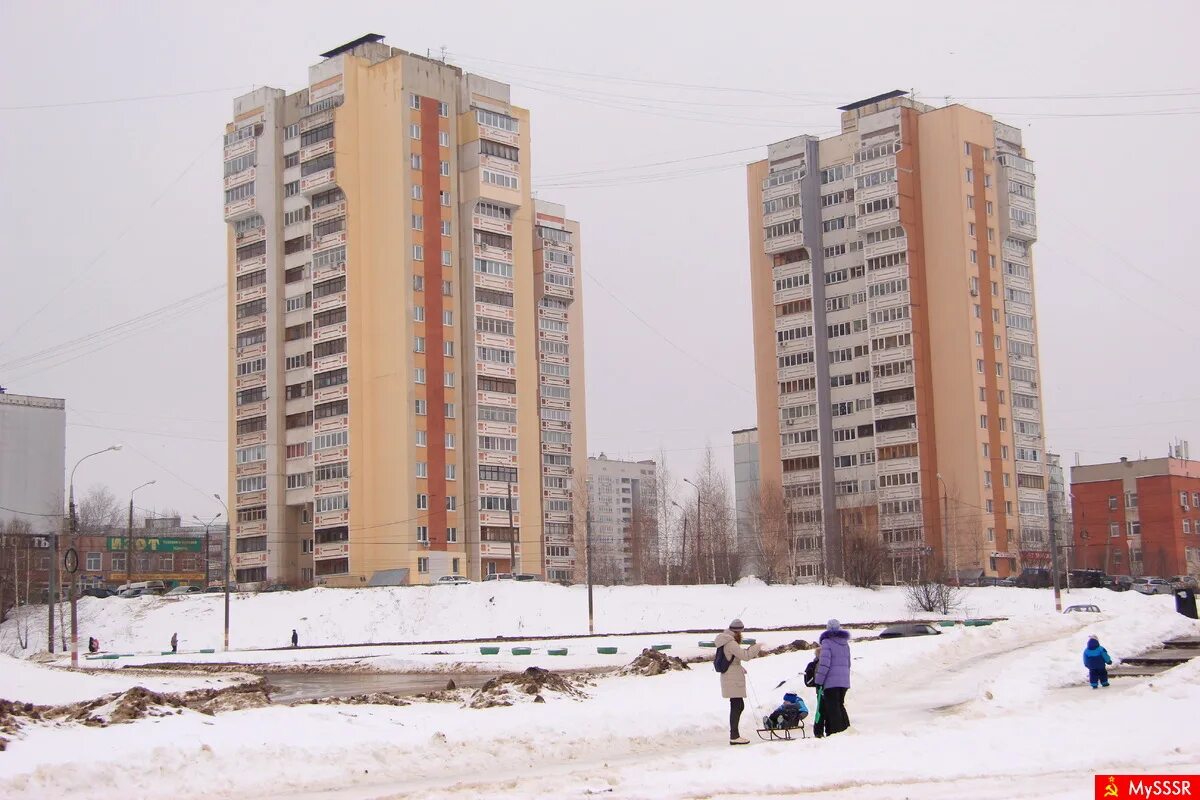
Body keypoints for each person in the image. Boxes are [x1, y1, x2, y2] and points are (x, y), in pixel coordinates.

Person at [715, 618, 762, 745]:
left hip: (730, 676)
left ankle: (734, 735)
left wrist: (738, 666)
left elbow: (730, 658)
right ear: (738, 631)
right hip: (732, 679)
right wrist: (757, 647)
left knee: (737, 705)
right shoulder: (730, 642)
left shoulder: (725, 640)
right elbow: (745, 656)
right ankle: (734, 736)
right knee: (737, 706)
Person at [814, 619, 852, 737]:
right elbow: (848, 663)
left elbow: (825, 664)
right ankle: (846, 729)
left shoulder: (827, 642)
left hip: (831, 682)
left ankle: (837, 733)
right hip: (844, 681)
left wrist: (819, 682)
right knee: (840, 705)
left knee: (832, 708)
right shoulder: (845, 643)